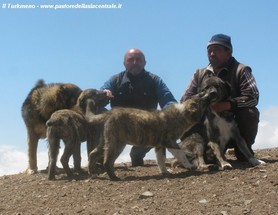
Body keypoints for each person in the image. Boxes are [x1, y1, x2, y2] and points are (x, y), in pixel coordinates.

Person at [181, 34, 260, 161]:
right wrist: (204, 105)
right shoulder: (199, 74)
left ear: (229, 51)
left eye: (216, 49)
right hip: (208, 127)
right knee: (183, 114)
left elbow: (253, 97)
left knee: (249, 113)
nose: (212, 54)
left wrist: (226, 105)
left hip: (233, 125)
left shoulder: (241, 70)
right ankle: (197, 152)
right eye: (209, 51)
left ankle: (243, 152)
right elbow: (185, 99)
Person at [101, 48, 177, 166]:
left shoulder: (155, 80)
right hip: (118, 128)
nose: (135, 63)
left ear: (144, 63)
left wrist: (168, 116)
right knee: (98, 113)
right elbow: (101, 92)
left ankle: (138, 155)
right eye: (130, 60)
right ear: (124, 63)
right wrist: (103, 94)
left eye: (138, 60)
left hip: (145, 129)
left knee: (169, 118)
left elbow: (169, 102)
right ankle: (100, 159)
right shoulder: (115, 80)